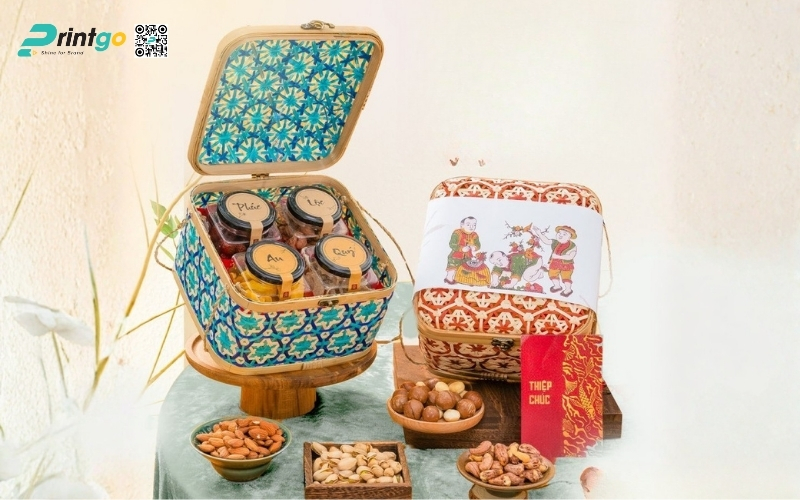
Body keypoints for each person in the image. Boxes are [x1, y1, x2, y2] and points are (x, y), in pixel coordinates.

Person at [532, 225, 578, 297]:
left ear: (569, 237)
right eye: (559, 233)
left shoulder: (572, 245)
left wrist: (558, 256)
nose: (560, 235)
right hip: (554, 263)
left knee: (566, 277)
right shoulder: (556, 242)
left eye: (564, 234)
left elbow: (570, 256)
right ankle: (557, 286)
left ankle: (568, 289)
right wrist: (539, 233)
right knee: (552, 274)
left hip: (566, 265)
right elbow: (547, 241)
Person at [444, 217, 480, 285]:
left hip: (468, 256)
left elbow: (478, 245)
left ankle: (462, 280)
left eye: (474, 225)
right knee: (453, 268)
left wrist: (474, 247)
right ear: (462, 225)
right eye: (468, 225)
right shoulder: (457, 233)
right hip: (456, 256)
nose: (471, 227)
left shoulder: (474, 235)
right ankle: (449, 278)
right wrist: (461, 248)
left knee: (465, 269)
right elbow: (452, 244)